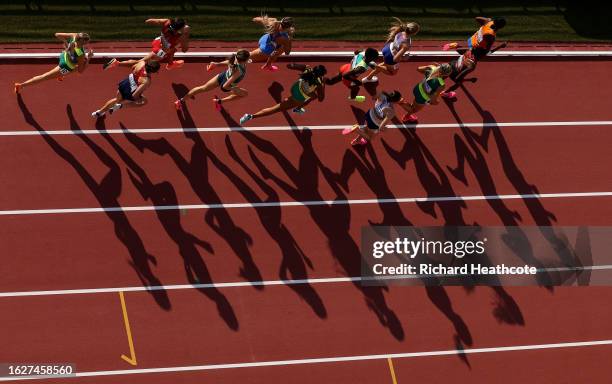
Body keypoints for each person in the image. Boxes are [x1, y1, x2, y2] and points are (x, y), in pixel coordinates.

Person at [239, 64, 327, 125]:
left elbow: (289, 65)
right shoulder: (319, 84)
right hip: (298, 97)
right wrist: (323, 85)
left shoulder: (307, 69)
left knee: (312, 96)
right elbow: (321, 99)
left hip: (294, 88)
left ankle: (298, 108)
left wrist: (299, 66)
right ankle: (251, 116)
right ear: (321, 76)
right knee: (276, 109)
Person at [14, 32, 93, 94]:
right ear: (82, 42)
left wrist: (65, 41)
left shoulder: (74, 35)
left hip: (63, 55)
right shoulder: (81, 54)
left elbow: (57, 34)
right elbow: (80, 71)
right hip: (65, 66)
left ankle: (61, 74)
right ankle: (21, 85)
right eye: (85, 43)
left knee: (77, 64)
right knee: (44, 77)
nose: (86, 44)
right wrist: (89, 57)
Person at [174, 49, 250, 112]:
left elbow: (228, 62)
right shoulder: (239, 71)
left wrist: (217, 64)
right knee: (244, 94)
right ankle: (219, 102)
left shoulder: (235, 58)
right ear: (244, 60)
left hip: (222, 76)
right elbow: (225, 86)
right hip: (227, 85)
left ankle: (180, 101)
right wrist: (235, 88)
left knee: (202, 88)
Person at [103, 18, 190, 71]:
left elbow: (155, 21)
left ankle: (170, 64)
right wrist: (186, 35)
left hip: (158, 41)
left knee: (172, 50)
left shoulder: (167, 22)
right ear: (180, 28)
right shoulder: (180, 36)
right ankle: (117, 63)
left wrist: (147, 21)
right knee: (140, 62)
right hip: (160, 51)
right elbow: (184, 50)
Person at [91, 60, 160, 118]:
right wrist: (142, 98)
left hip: (125, 83)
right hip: (129, 90)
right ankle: (121, 106)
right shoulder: (146, 81)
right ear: (154, 71)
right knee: (144, 102)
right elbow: (134, 95)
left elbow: (133, 67)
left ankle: (99, 112)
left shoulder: (142, 63)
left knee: (116, 100)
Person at [362, 18, 419, 83]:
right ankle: (372, 65)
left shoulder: (401, 32)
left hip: (387, 48)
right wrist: (404, 58)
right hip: (390, 56)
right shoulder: (406, 44)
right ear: (414, 33)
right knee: (392, 73)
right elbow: (395, 59)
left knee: (385, 64)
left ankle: (368, 78)